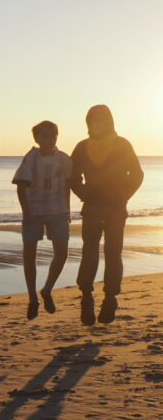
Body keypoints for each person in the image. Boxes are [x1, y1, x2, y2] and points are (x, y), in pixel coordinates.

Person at [70, 105, 143, 325]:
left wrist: (122, 195)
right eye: (93, 119)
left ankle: (110, 299)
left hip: (115, 209)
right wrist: (84, 193)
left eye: (101, 119)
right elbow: (72, 177)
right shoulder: (82, 147)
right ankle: (86, 298)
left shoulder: (122, 144)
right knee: (89, 252)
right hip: (92, 208)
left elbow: (137, 174)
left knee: (113, 253)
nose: (97, 123)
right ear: (88, 122)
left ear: (109, 121)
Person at [12, 120, 71, 320]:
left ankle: (47, 289)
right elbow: (21, 186)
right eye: (45, 135)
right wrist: (26, 212)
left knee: (62, 253)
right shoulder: (31, 157)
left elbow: (68, 185)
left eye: (53, 135)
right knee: (29, 255)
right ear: (37, 138)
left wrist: (68, 209)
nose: (49, 139)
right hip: (34, 211)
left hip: (58, 210)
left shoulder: (63, 158)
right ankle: (32, 298)